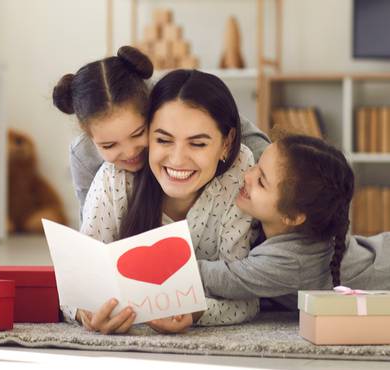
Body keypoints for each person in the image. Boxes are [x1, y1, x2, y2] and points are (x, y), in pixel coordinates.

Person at [55, 66, 264, 333]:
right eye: (163, 140)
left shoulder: (241, 170)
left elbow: (244, 297)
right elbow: (77, 285)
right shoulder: (116, 176)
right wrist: (86, 313)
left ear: (226, 143)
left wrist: (196, 313)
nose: (177, 159)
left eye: (198, 144)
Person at [196, 135, 390, 312]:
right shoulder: (282, 175)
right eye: (256, 164)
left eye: (261, 182)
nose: (247, 175)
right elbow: (244, 130)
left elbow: (215, 278)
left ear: (293, 217)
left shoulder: (290, 262)